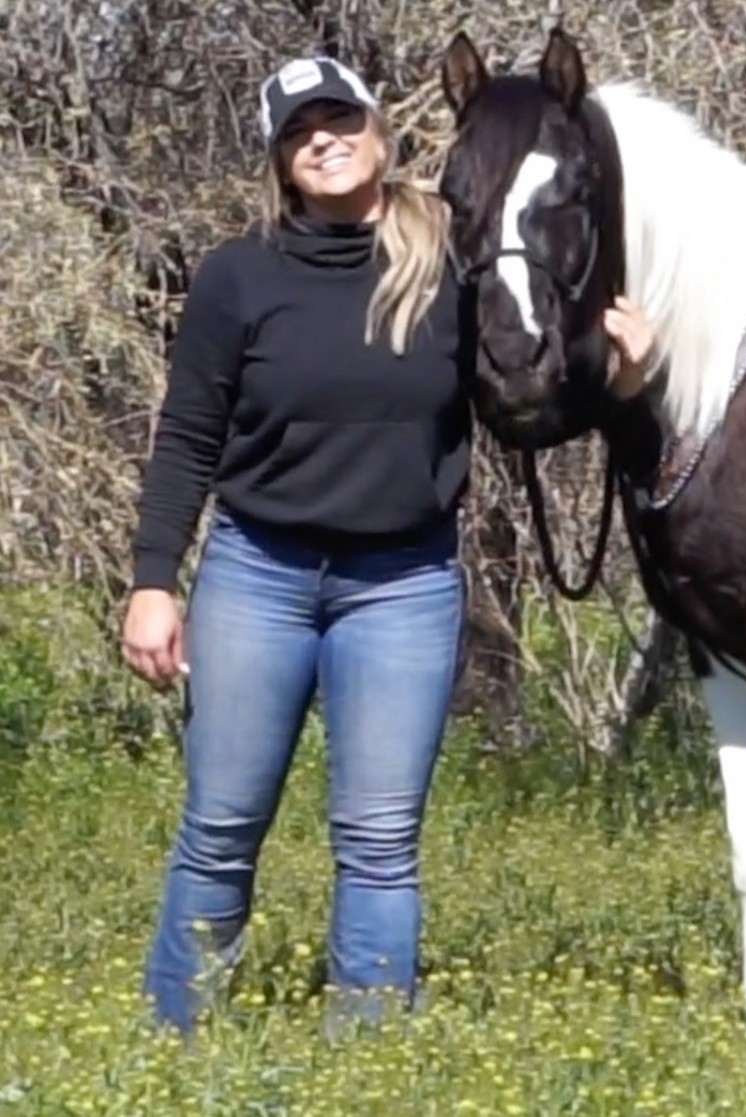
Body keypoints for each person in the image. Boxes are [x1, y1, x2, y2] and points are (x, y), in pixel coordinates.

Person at [121, 55, 473, 1038]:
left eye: (339, 118)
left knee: (380, 841)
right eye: (298, 130)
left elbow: (526, 390)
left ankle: (364, 1059)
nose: (323, 139)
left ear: (377, 128)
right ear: (280, 160)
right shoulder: (238, 276)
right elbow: (188, 437)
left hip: (404, 583)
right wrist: (154, 582)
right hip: (258, 574)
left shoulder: (453, 260)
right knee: (222, 825)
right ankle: (173, 1045)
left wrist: (624, 372)